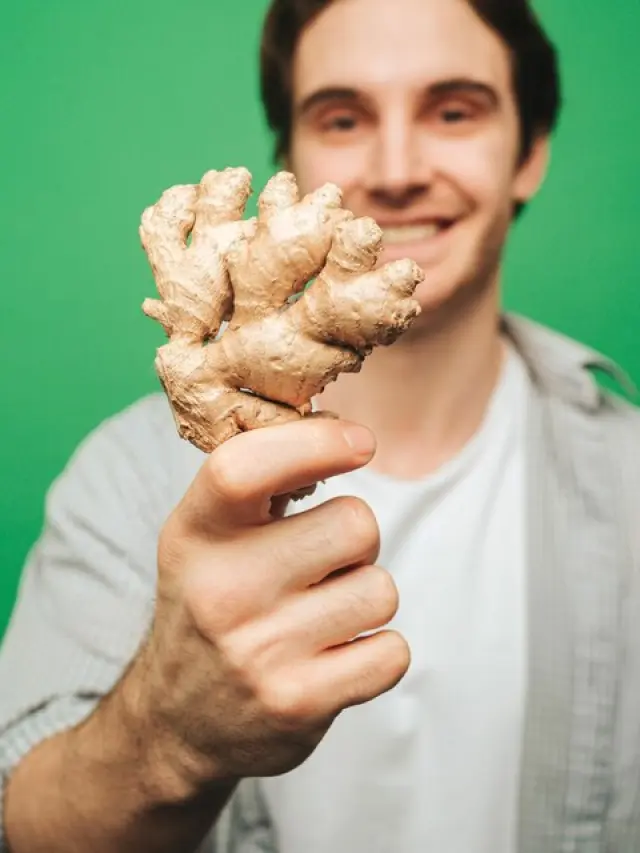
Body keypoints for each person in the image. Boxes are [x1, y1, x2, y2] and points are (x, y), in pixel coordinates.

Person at [1, 0, 639, 850]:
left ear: (529, 153)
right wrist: (170, 735)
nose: (400, 166)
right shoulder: (123, 478)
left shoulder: (630, 477)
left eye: (453, 111)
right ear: (290, 157)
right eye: (343, 117)